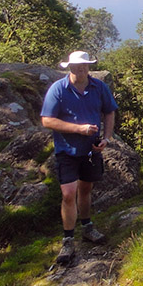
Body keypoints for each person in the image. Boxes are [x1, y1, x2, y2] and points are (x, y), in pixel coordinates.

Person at [40, 50, 118, 265]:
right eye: (77, 66)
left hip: (91, 150)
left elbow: (110, 111)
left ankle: (87, 227)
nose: (81, 69)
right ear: (70, 67)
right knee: (68, 193)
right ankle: (67, 239)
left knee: (86, 189)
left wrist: (107, 138)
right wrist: (78, 129)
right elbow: (47, 120)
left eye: (85, 66)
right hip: (67, 150)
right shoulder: (58, 89)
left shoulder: (99, 87)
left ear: (88, 67)